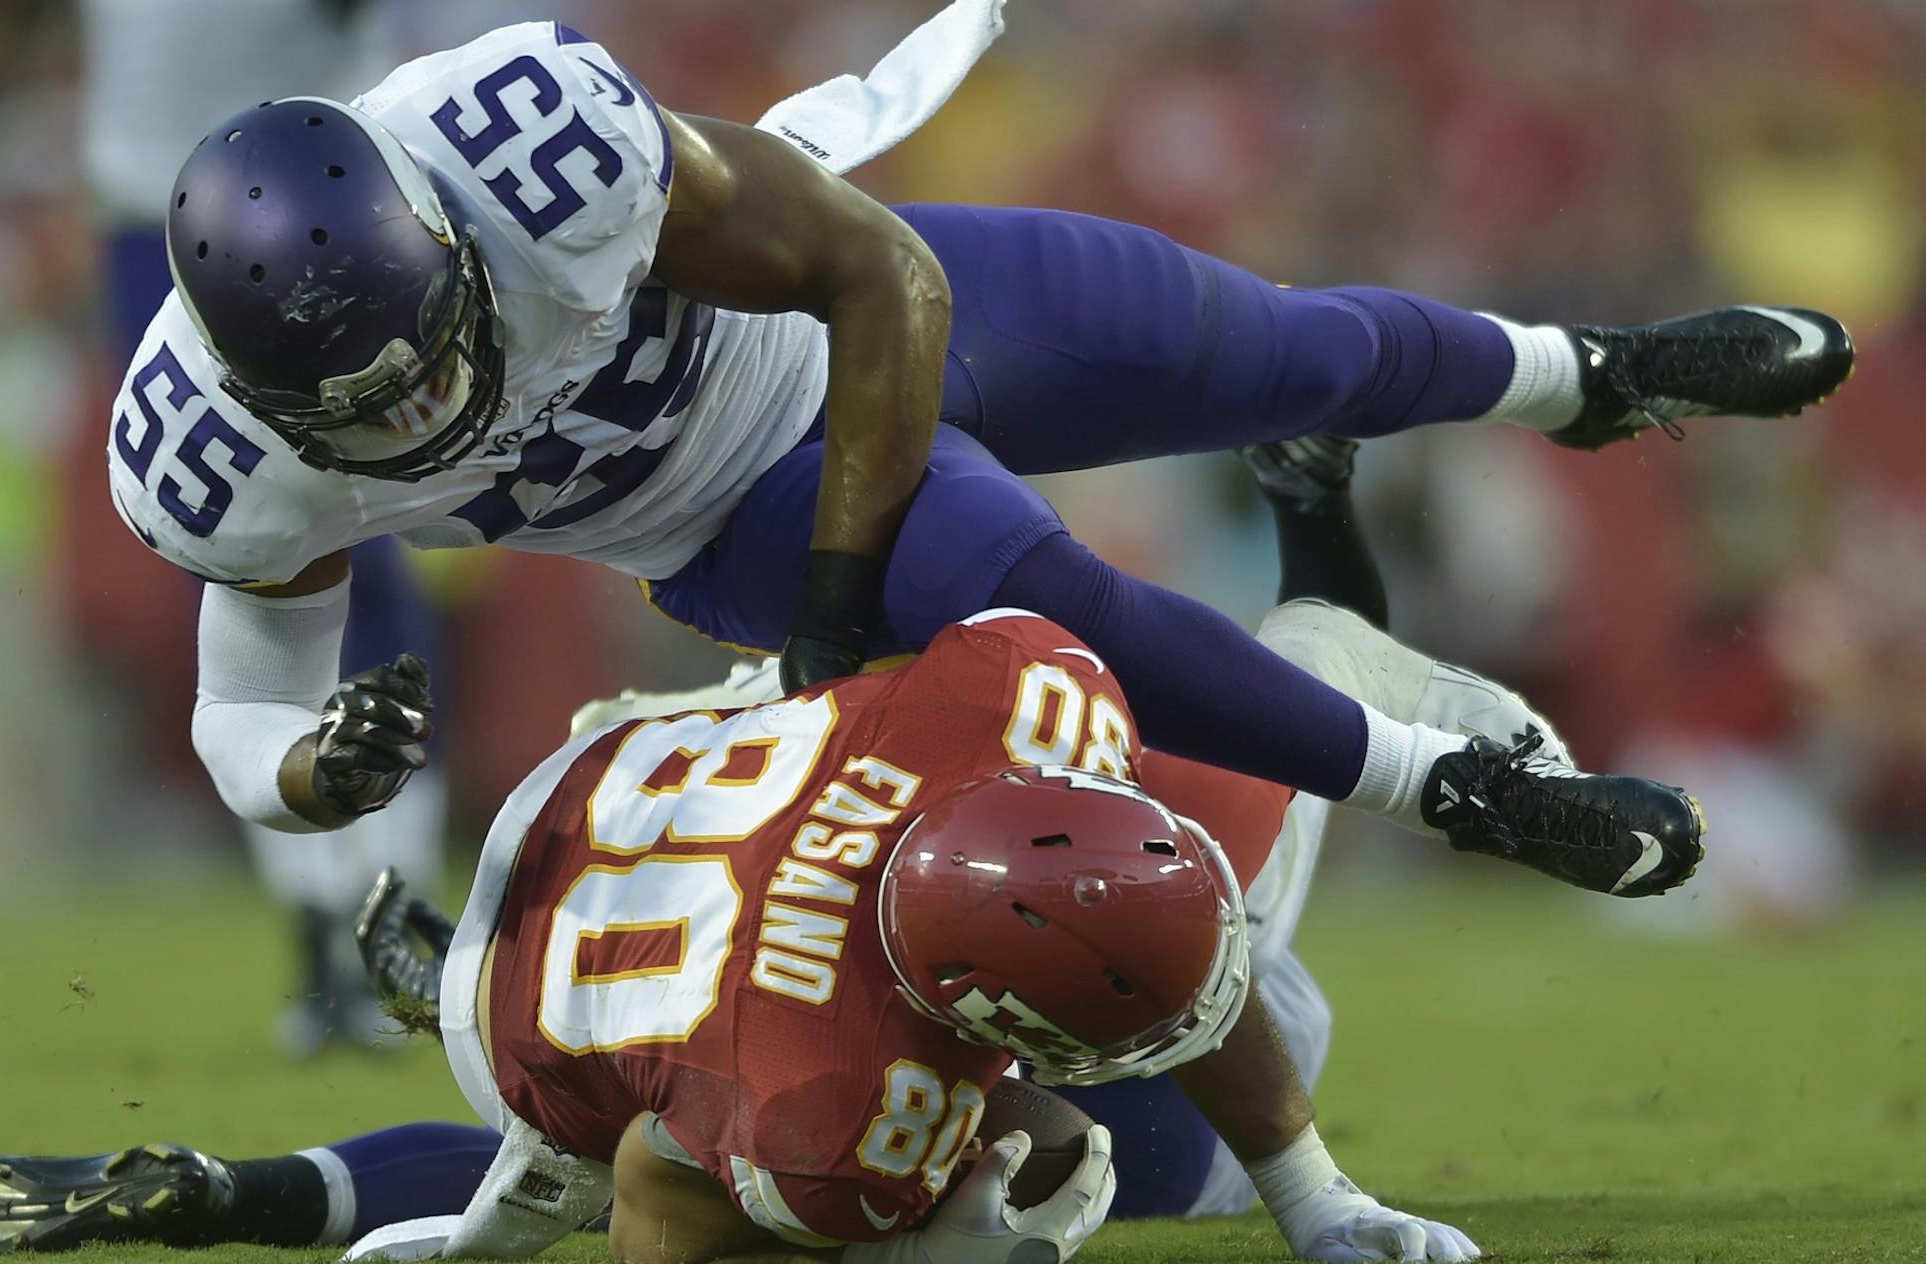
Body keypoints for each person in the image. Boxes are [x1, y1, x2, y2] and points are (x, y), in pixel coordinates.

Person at [136, 10, 1849, 907]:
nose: (406, 405)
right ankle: (1462, 787)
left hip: (863, 319)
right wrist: (308, 778)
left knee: (1262, 341)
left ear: (438, 226)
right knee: (1059, 600)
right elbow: (243, 701)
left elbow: (881, 274)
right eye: (345, 404)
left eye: (414, 340)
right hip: (729, 502)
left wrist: (836, 609)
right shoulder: (215, 453)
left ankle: (1592, 374)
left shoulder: (530, 149)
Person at [0, 438, 1547, 1261]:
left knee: (640, 1110)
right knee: (1136, 1132)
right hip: (680, 911)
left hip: (602, 849)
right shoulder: (854, 1065)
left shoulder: (1033, 715)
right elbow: (641, 1188)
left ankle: (283, 1149)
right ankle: (270, 1167)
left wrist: (1313, 1195)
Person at [0, 0, 444, 1055]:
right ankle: (318, 922)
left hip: (324, 204)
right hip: (145, 226)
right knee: (237, 545)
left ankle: (397, 905)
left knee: (363, 541)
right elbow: (6, 23)